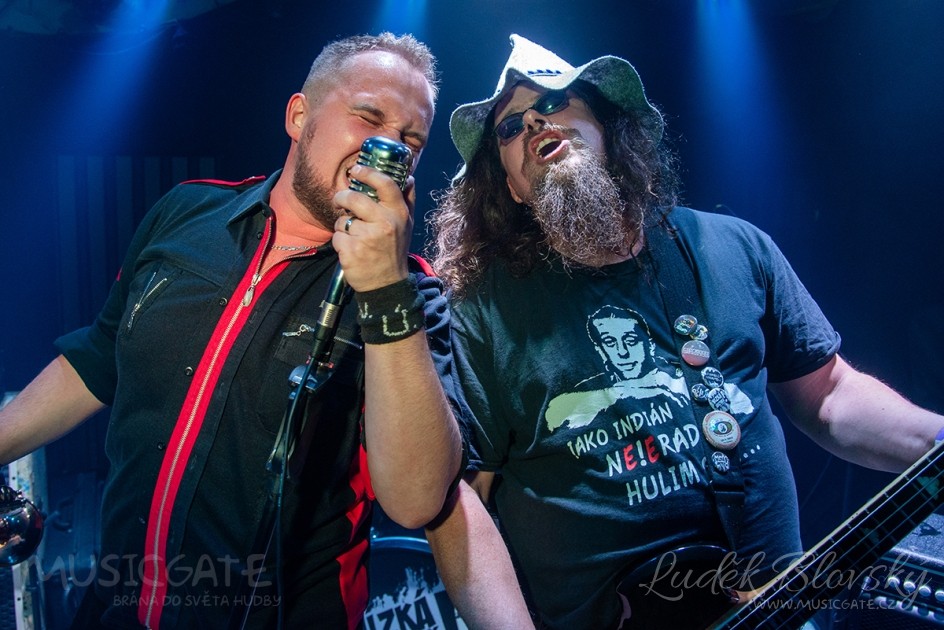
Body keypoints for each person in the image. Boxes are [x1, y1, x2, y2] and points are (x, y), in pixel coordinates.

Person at [423, 34, 944, 629]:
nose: (534, 122)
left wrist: (935, 438)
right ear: (512, 186)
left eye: (553, 100)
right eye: (510, 127)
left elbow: (829, 395)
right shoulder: (482, 310)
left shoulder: (732, 247)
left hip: (777, 607)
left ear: (608, 127)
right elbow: (463, 499)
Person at [0, 32, 464, 629]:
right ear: (299, 116)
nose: (389, 149)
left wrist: (383, 288)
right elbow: (97, 360)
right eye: (369, 117)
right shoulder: (186, 213)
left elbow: (417, 497)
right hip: (117, 606)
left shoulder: (413, 296)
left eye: (411, 140)